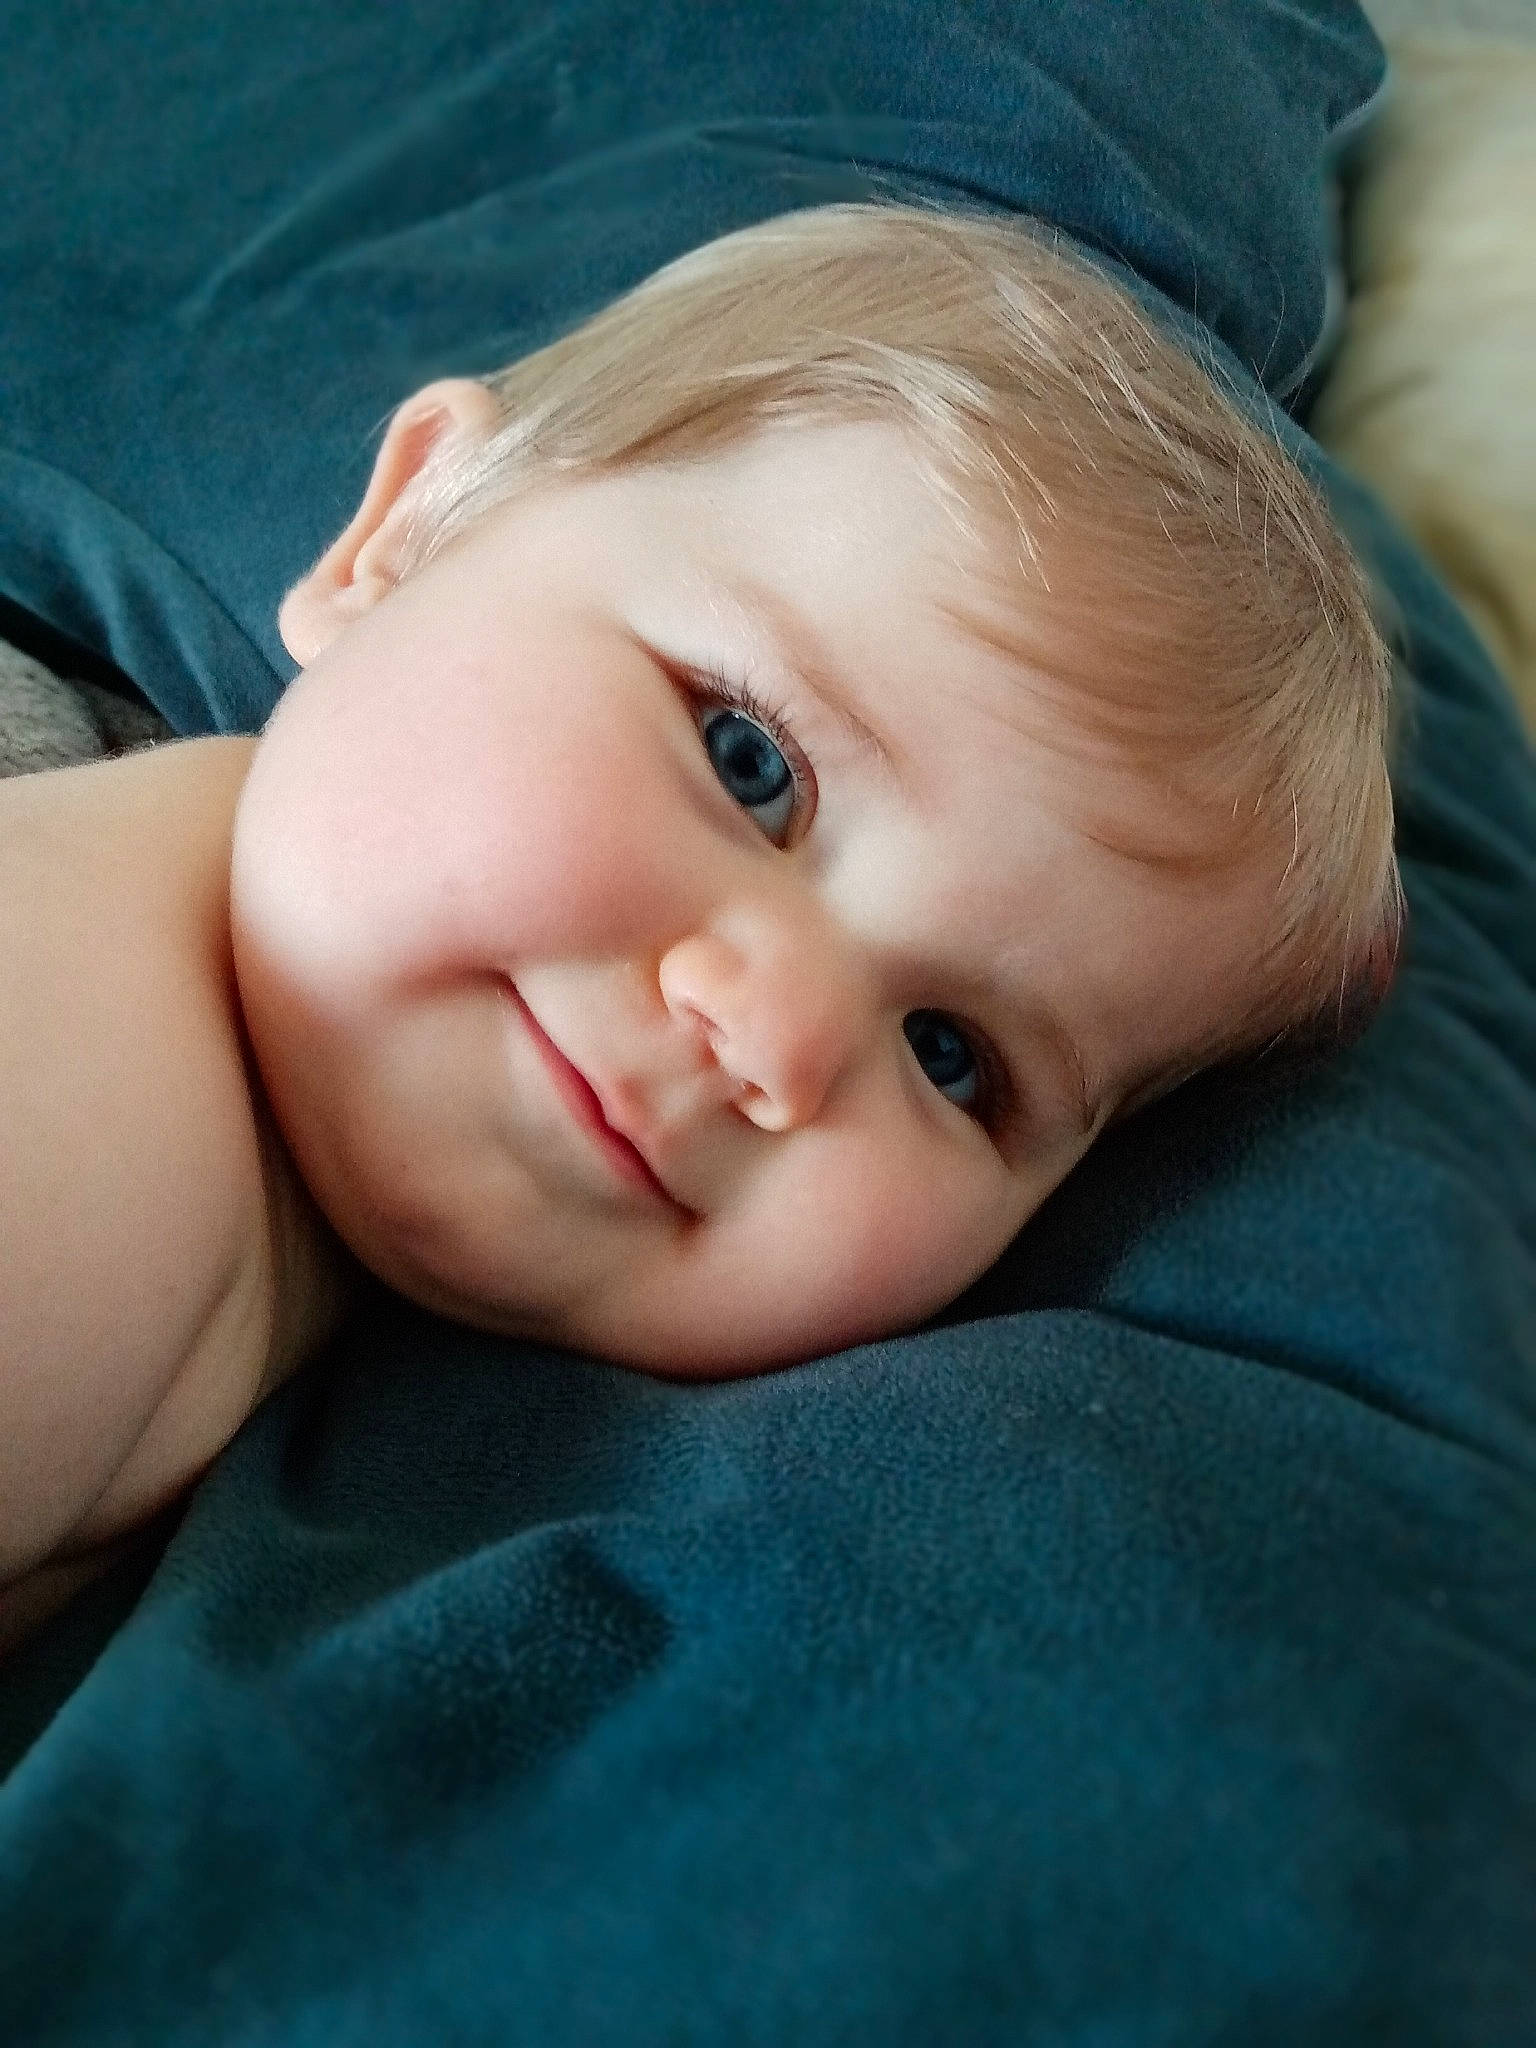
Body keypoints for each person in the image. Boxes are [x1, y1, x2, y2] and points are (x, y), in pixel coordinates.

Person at [0, 200, 1400, 1646]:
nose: (776, 1038)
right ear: (405, 533)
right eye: (751, 764)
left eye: (950, 1056)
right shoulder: (90, 1030)